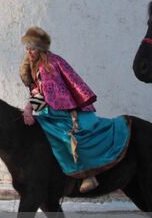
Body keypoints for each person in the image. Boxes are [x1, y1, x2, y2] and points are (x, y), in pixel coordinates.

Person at [20, 27, 129, 193]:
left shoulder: (49, 65)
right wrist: (33, 109)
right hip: (50, 112)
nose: (29, 52)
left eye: (33, 48)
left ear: (41, 49)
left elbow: (49, 92)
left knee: (67, 137)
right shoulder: (32, 66)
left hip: (65, 113)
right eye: (27, 48)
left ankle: (87, 174)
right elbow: (38, 93)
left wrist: (29, 108)